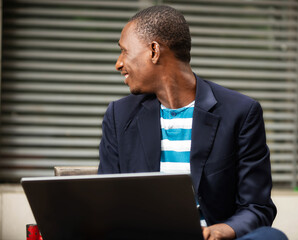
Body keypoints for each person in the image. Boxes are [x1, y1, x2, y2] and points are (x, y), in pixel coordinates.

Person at [98, 5, 287, 240]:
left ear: (154, 51)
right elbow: (107, 205)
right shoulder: (119, 115)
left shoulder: (240, 113)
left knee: (271, 237)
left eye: (124, 51)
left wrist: (219, 231)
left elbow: (257, 207)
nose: (118, 63)